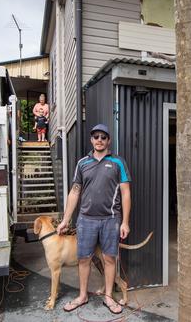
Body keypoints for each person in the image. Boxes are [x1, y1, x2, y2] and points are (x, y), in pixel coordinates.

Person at [57, 124, 131, 315]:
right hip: (86, 220)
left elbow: (125, 192)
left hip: (111, 219)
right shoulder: (82, 163)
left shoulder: (118, 162)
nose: (99, 140)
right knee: (84, 259)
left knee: (109, 259)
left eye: (103, 137)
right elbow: (75, 191)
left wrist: (125, 222)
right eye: (96, 136)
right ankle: (82, 296)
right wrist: (66, 219)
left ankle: (108, 296)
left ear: (109, 141)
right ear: (91, 140)